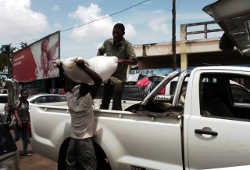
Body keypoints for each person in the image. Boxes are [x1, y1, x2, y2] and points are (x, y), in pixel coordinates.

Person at [57, 59, 102, 170]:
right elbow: (98, 80)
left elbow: (65, 83)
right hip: (85, 141)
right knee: (89, 167)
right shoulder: (87, 101)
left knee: (70, 165)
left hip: (72, 140)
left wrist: (60, 68)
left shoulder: (71, 99)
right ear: (88, 91)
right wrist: (83, 67)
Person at [97, 23, 137, 110]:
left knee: (116, 104)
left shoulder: (127, 45)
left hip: (119, 79)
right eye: (113, 32)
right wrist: (99, 60)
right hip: (108, 77)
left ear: (123, 33)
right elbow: (100, 51)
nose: (115, 35)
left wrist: (121, 60)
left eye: (117, 33)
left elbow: (134, 61)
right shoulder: (107, 42)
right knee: (104, 104)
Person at [14, 89, 32, 156]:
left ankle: (25, 151)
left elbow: (27, 112)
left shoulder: (27, 102)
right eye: (24, 94)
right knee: (17, 137)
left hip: (25, 122)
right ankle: (8, 148)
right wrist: (19, 120)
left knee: (25, 138)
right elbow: (15, 111)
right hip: (19, 123)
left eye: (27, 93)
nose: (26, 95)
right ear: (21, 94)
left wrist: (29, 121)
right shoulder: (19, 102)